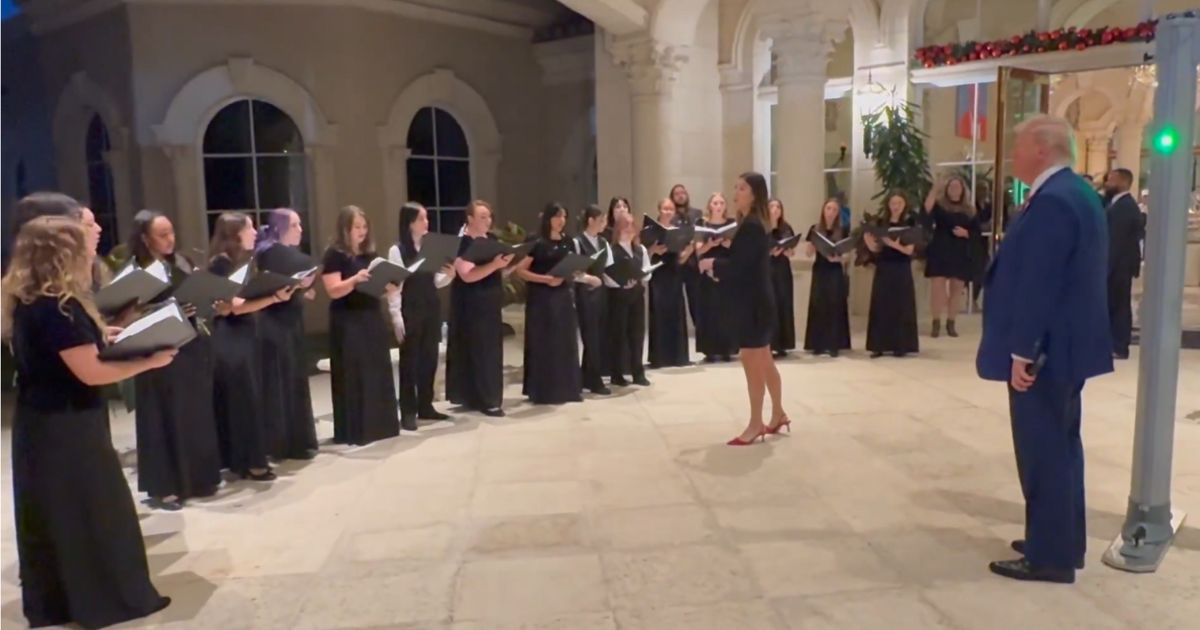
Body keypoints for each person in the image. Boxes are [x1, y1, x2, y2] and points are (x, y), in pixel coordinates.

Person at [3, 216, 174, 629]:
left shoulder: (33, 301)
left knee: (61, 517)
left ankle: (62, 601)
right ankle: (105, 601)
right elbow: (91, 373)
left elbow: (65, 356)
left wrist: (105, 336)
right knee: (91, 515)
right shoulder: (56, 309)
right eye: (82, 247)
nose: (90, 256)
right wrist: (149, 360)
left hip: (44, 424)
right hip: (66, 428)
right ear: (62, 254)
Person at [977, 115, 1112, 584]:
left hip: (1046, 352)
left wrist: (1023, 351)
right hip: (1068, 347)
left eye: (1017, 147)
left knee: (1043, 451)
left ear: (1041, 149)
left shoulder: (1053, 201)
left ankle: (1050, 556)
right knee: (1062, 445)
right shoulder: (1078, 193)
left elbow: (1040, 283)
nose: (1012, 156)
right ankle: (1058, 538)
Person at [127, 210, 222, 510]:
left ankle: (198, 477)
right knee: (163, 415)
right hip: (158, 349)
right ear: (145, 238)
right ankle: (165, 486)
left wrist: (208, 296)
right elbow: (128, 315)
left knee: (194, 413)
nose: (170, 239)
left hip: (191, 346)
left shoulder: (182, 262)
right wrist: (169, 307)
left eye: (171, 232)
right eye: (162, 234)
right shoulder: (137, 271)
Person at [698, 172, 789, 446]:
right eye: (735, 187)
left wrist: (711, 265)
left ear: (754, 194)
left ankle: (754, 424)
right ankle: (778, 414)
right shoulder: (754, 223)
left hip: (753, 306)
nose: (735, 193)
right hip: (758, 301)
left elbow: (739, 267)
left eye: (741, 188)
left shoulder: (750, 226)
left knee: (752, 362)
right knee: (764, 359)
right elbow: (745, 267)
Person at [208, 212, 290, 481]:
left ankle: (244, 459)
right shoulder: (220, 264)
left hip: (244, 335)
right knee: (245, 399)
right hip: (230, 338)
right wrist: (273, 297)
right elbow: (232, 308)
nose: (255, 232)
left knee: (248, 398)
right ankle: (251, 462)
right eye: (250, 228)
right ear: (235, 234)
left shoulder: (241, 261)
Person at [320, 206, 400, 445]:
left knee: (376, 370)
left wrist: (390, 288)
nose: (362, 232)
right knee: (355, 372)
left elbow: (375, 289)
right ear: (345, 229)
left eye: (365, 227)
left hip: (370, 316)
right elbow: (333, 290)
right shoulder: (334, 255)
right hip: (348, 319)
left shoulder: (369, 256)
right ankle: (356, 430)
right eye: (357, 227)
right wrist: (355, 280)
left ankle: (380, 426)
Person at [255, 208, 320, 461]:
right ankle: (281, 443)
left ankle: (297, 440)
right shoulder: (269, 252)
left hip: (290, 320)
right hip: (274, 323)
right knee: (279, 382)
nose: (301, 230)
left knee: (294, 379)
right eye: (295, 225)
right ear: (281, 227)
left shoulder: (282, 254)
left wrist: (303, 288)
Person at [387, 202, 456, 429]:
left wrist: (449, 275)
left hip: (430, 306)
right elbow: (395, 286)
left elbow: (436, 281)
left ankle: (426, 405)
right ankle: (407, 410)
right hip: (411, 308)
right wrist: (396, 315)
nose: (427, 223)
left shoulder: (431, 247)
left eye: (427, 218)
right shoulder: (397, 250)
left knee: (429, 358)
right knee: (410, 361)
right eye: (421, 219)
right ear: (409, 224)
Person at [518, 203, 595, 404]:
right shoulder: (536, 241)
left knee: (565, 342)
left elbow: (572, 269)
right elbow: (521, 271)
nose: (561, 220)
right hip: (541, 299)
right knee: (545, 343)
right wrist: (546, 280)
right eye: (557, 216)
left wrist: (585, 276)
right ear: (548, 218)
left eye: (564, 216)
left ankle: (568, 389)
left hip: (562, 297)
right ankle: (544, 391)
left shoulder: (568, 241)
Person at [448, 200, 513, 417]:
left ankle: (489, 395)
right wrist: (494, 265)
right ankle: (484, 399)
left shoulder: (492, 240)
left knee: (491, 349)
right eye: (483, 217)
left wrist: (508, 264)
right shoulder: (462, 243)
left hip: (490, 301)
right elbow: (466, 275)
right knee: (478, 350)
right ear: (470, 219)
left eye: (489, 216)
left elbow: (496, 272)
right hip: (471, 303)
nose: (488, 221)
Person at [863, 193, 920, 358]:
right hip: (884, 267)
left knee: (901, 306)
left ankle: (900, 345)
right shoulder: (881, 223)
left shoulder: (909, 223)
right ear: (888, 205)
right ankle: (878, 345)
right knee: (881, 305)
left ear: (904, 205)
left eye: (899, 203)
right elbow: (875, 249)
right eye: (893, 203)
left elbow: (909, 250)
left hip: (901, 267)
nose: (896, 206)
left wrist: (893, 244)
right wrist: (868, 240)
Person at [922, 174, 978, 338]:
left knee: (957, 289)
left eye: (957, 187)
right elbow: (926, 211)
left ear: (963, 190)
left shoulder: (970, 210)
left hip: (959, 251)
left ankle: (951, 322)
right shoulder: (940, 206)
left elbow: (977, 232)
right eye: (951, 187)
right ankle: (936, 322)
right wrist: (935, 189)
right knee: (937, 289)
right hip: (940, 249)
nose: (954, 190)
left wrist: (966, 233)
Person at [1102, 168, 1145, 360]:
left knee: (1119, 306)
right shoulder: (1115, 204)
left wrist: (1106, 268)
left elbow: (1116, 241)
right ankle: (1112, 343)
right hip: (1118, 266)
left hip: (1119, 267)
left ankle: (1119, 345)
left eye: (1111, 180)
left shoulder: (1125, 207)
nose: (1107, 183)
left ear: (1122, 182)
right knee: (1114, 305)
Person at [647, 198, 694, 368]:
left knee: (676, 311)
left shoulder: (678, 231)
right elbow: (644, 256)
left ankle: (678, 356)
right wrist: (653, 250)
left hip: (674, 273)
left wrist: (689, 251)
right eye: (665, 209)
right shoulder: (651, 230)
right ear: (659, 210)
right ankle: (660, 357)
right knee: (659, 312)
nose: (667, 212)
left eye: (670, 209)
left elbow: (680, 259)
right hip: (658, 274)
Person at [606, 212, 652, 387]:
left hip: (636, 296)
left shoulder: (640, 249)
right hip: (618, 296)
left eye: (632, 225)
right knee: (618, 335)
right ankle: (616, 374)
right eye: (625, 225)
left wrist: (642, 277)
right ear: (618, 228)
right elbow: (606, 274)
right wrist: (621, 283)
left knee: (637, 335)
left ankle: (638, 373)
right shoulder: (612, 250)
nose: (629, 228)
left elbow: (647, 269)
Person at [804, 198, 851, 357]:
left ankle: (834, 345)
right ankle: (818, 344)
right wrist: (812, 244)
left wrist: (837, 258)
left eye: (834, 210)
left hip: (835, 270)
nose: (831, 213)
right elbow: (808, 253)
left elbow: (847, 256)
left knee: (834, 305)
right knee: (818, 305)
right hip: (820, 269)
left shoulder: (843, 230)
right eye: (828, 209)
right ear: (823, 210)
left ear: (838, 214)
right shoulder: (815, 229)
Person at [574, 204, 613, 395]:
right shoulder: (577, 242)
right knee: (590, 337)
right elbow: (572, 271)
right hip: (585, 293)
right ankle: (595, 379)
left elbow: (608, 268)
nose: (604, 224)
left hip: (601, 293)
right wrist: (588, 278)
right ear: (590, 220)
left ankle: (586, 376)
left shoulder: (604, 243)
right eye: (601, 220)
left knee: (599, 335)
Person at [694, 193, 737, 363]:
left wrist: (728, 244)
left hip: (726, 268)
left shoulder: (732, 224)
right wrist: (709, 245)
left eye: (721, 202)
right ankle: (710, 349)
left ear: (725, 206)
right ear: (709, 205)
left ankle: (727, 348)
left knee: (727, 311)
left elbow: (738, 249)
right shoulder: (702, 223)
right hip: (707, 270)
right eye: (715, 202)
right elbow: (698, 250)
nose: (718, 205)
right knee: (709, 310)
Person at [669, 184, 704, 337]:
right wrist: (679, 255)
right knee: (675, 303)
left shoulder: (697, 214)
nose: (681, 195)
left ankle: (702, 336)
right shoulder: (669, 215)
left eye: (683, 192)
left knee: (697, 302)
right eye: (677, 193)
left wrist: (689, 250)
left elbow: (701, 235)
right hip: (675, 263)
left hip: (693, 263)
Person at [767, 198, 797, 358]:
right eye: (772, 206)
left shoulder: (786, 228)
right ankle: (770, 344)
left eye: (778, 206)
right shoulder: (762, 227)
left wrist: (787, 251)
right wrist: (769, 252)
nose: (775, 209)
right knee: (770, 305)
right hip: (766, 268)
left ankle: (783, 345)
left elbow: (792, 250)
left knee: (783, 303)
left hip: (782, 269)